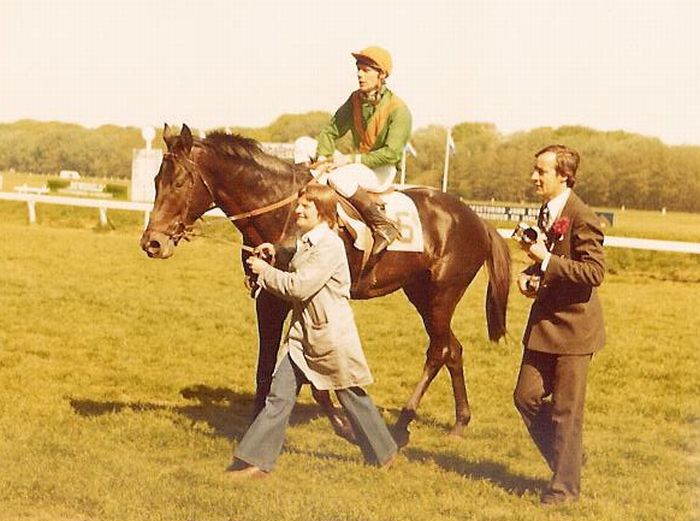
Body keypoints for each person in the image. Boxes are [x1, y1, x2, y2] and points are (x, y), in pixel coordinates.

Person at [226, 184, 398, 479]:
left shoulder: (329, 246)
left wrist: (265, 272)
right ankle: (256, 462)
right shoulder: (309, 241)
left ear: (324, 213)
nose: (298, 210)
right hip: (302, 337)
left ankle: (385, 452)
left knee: (351, 395)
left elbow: (300, 286)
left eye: (306, 206)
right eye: (300, 204)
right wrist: (275, 251)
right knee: (279, 397)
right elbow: (297, 254)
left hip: (329, 337)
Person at [513, 145, 606, 504]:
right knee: (525, 396)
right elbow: (551, 262)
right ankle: (569, 460)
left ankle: (564, 490)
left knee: (566, 412)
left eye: (541, 171)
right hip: (544, 325)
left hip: (574, 331)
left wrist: (546, 260)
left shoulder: (582, 217)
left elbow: (593, 273)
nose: (533, 177)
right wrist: (530, 274)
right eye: (535, 170)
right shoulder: (547, 210)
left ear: (564, 175)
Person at [295, 45, 412, 256]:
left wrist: (349, 159)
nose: (359, 74)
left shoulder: (399, 110)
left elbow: (392, 154)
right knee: (302, 143)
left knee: (338, 177)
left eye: (366, 70)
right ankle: (304, 199)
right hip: (358, 165)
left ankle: (382, 225)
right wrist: (323, 157)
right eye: (358, 69)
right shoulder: (355, 99)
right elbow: (330, 131)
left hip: (382, 169)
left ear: (381, 75)